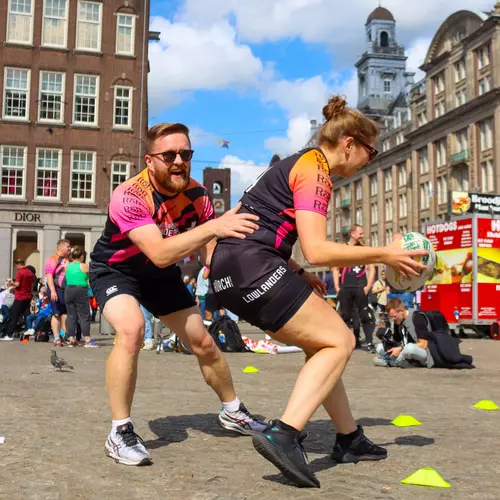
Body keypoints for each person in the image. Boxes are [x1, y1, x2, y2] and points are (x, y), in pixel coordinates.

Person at [210, 96, 428, 488]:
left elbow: (264, 227)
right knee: (341, 340)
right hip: (252, 267)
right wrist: (385, 253)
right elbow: (317, 250)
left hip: (229, 272)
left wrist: (294, 271)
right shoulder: (316, 170)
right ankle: (284, 433)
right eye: (371, 151)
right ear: (349, 143)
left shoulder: (294, 163)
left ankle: (348, 438)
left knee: (322, 345)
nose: (370, 160)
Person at [89, 122, 266, 466]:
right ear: (149, 160)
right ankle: (119, 432)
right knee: (132, 330)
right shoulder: (130, 194)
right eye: (169, 155)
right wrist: (212, 227)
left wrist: (245, 275)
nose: (179, 161)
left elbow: (210, 254)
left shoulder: (199, 196)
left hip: (160, 275)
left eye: (185, 154)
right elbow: (159, 252)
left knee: (203, 342)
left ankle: (233, 411)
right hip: (116, 270)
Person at [333, 224, 376, 351]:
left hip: (360, 286)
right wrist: (337, 287)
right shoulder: (342, 248)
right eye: (360, 233)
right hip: (345, 287)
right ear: (353, 234)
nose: (362, 236)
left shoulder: (364, 248)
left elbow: (372, 268)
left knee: (365, 315)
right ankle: (346, 343)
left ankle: (369, 342)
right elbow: (336, 269)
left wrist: (368, 286)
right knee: (345, 315)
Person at [373, 298, 434, 368]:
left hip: (424, 353)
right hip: (405, 350)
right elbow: (397, 341)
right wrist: (387, 342)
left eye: (394, 316)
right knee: (379, 347)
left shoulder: (417, 317)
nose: (392, 319)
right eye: (390, 317)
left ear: (402, 311)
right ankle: (399, 361)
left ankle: (393, 361)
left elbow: (424, 344)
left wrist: (401, 349)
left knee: (409, 348)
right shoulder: (398, 321)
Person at [65, 246, 97, 348]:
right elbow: (93, 277)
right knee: (84, 315)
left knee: (71, 316)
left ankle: (71, 339)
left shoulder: (67, 266)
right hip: (80, 290)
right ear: (82, 256)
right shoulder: (84, 266)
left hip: (68, 290)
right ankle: (87, 339)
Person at [45, 239, 71, 347]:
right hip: (56, 289)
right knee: (56, 314)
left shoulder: (68, 260)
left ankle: (66, 336)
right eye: (68, 247)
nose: (70, 249)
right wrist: (53, 291)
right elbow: (49, 276)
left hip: (66, 290)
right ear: (61, 248)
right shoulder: (52, 259)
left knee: (65, 313)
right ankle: (56, 338)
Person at [1, 259, 35, 340]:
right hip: (28, 297)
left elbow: (17, 284)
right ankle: (28, 331)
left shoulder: (20, 272)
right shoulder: (30, 272)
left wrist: (11, 283)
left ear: (19, 264)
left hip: (20, 297)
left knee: (13, 316)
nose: (16, 267)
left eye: (16, 266)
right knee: (27, 315)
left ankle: (8, 334)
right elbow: (32, 285)